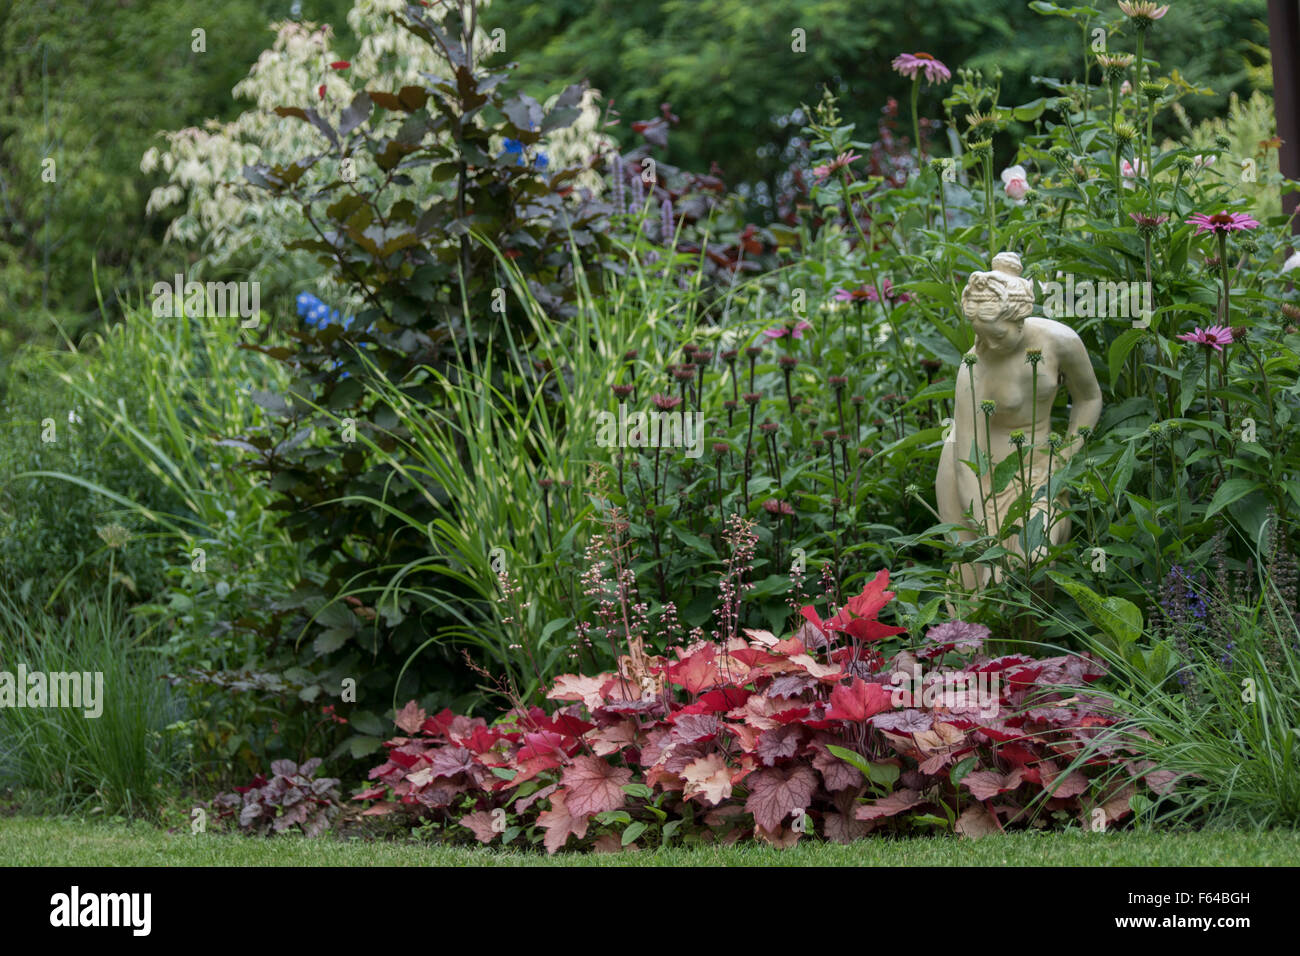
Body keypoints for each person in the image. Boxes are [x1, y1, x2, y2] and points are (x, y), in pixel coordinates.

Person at [936, 252, 1103, 591]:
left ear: (1020, 319)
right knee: (978, 582)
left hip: (1036, 470)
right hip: (975, 476)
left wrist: (1065, 455)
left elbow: (1089, 398)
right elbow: (966, 460)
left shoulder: (1060, 341)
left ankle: (1034, 644)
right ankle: (974, 645)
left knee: (1033, 560)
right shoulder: (973, 367)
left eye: (997, 335)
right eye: (980, 333)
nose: (986, 344)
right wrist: (988, 539)